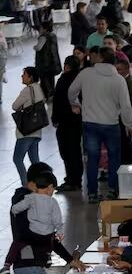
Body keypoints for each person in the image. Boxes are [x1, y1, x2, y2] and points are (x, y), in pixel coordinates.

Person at [68, 49, 132, 203]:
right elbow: (126, 105)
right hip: (111, 124)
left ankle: (92, 193)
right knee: (114, 158)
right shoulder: (119, 80)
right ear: (113, 62)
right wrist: (128, 124)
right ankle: (112, 190)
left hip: (90, 123)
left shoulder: (86, 74)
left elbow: (71, 91)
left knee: (92, 159)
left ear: (100, 58)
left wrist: (75, 103)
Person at [51, 57, 83, 191]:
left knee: (68, 151)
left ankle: (72, 179)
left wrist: (55, 118)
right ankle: (74, 179)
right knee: (73, 150)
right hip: (75, 121)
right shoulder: (81, 79)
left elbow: (57, 100)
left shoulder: (64, 79)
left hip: (66, 122)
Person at [11, 68, 46, 186]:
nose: (22, 76)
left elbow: (15, 106)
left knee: (17, 159)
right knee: (35, 160)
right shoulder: (39, 88)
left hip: (26, 131)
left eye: (24, 74)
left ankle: (26, 184)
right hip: (37, 130)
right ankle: (41, 183)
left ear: (30, 77)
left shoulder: (27, 90)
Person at [33, 21, 61, 99]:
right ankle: (52, 95)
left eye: (41, 28)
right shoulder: (53, 36)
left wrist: (34, 47)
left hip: (44, 64)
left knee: (45, 82)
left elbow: (38, 47)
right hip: (53, 63)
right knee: (51, 80)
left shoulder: (43, 37)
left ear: (44, 28)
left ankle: (47, 96)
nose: (39, 29)